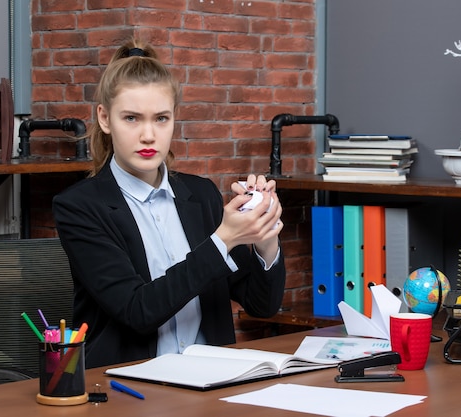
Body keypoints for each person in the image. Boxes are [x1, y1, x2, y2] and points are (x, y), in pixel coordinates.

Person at [52, 38, 286, 369]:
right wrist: (225, 240)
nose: (148, 135)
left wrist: (264, 238)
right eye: (131, 118)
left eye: (161, 118)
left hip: (210, 383)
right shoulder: (78, 207)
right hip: (129, 387)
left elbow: (262, 305)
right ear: (105, 119)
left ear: (175, 118)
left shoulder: (200, 195)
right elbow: (137, 310)